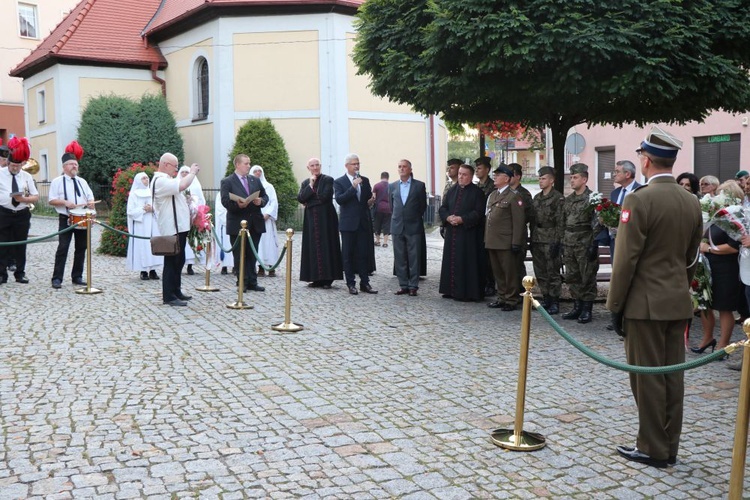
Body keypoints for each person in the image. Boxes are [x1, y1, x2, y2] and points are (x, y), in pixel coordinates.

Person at [607, 125, 702, 469]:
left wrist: (615, 306)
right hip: (677, 300)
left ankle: (652, 447)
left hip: (644, 304)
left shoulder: (638, 199)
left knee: (647, 378)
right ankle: (668, 444)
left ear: (645, 161)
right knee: (671, 376)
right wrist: (679, 286)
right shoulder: (690, 200)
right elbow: (691, 257)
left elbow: (625, 260)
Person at [695, 182, 742, 354]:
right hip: (709, 265)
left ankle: (723, 346)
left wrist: (709, 248)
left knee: (724, 307)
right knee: (704, 304)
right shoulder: (717, 216)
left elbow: (733, 246)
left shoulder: (735, 217)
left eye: (722, 194)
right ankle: (707, 339)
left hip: (726, 268)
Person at [151, 153, 199, 306]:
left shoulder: (167, 180)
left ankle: (176, 290)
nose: (176, 170)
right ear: (165, 165)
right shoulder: (160, 181)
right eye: (175, 166)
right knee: (171, 262)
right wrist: (192, 172)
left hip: (180, 226)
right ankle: (169, 296)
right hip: (172, 227)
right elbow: (182, 185)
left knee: (179, 260)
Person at [48, 141, 95, 289]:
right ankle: (57, 278)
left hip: (82, 219)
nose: (74, 166)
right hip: (66, 218)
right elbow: (51, 200)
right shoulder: (57, 181)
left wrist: (92, 204)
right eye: (71, 164)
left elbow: (90, 197)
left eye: (75, 164)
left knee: (81, 248)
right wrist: (65, 202)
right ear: (64, 167)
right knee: (63, 248)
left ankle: (77, 276)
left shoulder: (82, 181)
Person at [220, 154, 268, 293]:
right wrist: (238, 206)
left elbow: (265, 196)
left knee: (253, 253)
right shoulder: (227, 181)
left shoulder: (254, 180)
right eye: (246, 163)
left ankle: (253, 281)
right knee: (240, 254)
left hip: (255, 223)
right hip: (238, 223)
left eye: (249, 163)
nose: (248, 166)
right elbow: (225, 201)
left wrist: (261, 202)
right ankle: (242, 282)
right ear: (238, 165)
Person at [438, 164, 486, 301]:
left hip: (468, 235)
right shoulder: (452, 190)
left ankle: (467, 292)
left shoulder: (477, 193)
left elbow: (478, 212)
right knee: (451, 261)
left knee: (467, 262)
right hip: (452, 232)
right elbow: (443, 208)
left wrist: (462, 219)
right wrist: (448, 217)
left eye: (464, 175)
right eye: (459, 174)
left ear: (471, 176)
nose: (460, 177)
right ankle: (450, 290)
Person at [334, 154, 377, 295]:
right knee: (347, 254)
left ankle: (365, 283)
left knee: (363, 254)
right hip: (348, 224)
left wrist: (370, 202)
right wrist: (353, 187)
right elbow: (340, 199)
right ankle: (351, 283)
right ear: (347, 166)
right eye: (353, 164)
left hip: (363, 223)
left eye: (358, 163)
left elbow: (365, 200)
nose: (357, 166)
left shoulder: (365, 180)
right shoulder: (339, 182)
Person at [561, 163, 599, 324]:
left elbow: (596, 223)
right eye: (571, 177)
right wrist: (562, 242)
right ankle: (577, 306)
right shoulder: (568, 200)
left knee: (587, 276)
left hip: (585, 242)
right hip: (569, 243)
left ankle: (587, 309)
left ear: (584, 179)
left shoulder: (593, 198)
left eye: (575, 177)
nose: (572, 180)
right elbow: (562, 222)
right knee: (572, 276)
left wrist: (593, 244)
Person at [485, 164, 525, 311]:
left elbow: (519, 222)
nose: (494, 177)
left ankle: (511, 299)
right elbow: (488, 218)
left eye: (498, 175)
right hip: (493, 240)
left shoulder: (514, 196)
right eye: (495, 175)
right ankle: (501, 296)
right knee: (498, 272)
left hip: (506, 242)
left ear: (507, 178)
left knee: (509, 272)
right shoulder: (493, 195)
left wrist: (516, 242)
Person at [298, 157, 343, 288]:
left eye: (317, 165)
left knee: (327, 245)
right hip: (311, 219)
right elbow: (300, 198)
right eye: (312, 165)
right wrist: (311, 186)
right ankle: (315, 278)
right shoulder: (306, 182)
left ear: (320, 166)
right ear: (308, 168)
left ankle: (328, 278)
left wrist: (309, 199)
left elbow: (324, 197)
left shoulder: (328, 179)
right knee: (312, 246)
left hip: (326, 218)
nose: (315, 167)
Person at [0, 137, 39, 284]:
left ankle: (20, 273)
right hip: (3, 213)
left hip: (21, 214)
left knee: (20, 244)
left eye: (18, 166)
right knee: (2, 244)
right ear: (8, 162)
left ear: (22, 164)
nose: (15, 168)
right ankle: (1, 273)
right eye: (12, 166)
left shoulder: (27, 176)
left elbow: (35, 196)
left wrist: (24, 200)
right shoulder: (0, 173)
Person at [389, 159, 426, 296]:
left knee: (414, 257)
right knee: (400, 257)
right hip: (397, 226)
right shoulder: (392, 186)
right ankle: (403, 284)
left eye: (404, 167)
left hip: (413, 226)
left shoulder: (419, 186)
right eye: (399, 167)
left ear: (410, 169)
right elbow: (391, 206)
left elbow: (422, 206)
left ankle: (413, 286)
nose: (402, 169)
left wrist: (413, 217)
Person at [531, 166, 564, 314]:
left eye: (543, 178)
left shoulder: (558, 198)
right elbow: (532, 220)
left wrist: (557, 241)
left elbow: (560, 222)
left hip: (551, 238)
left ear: (551, 180)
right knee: (540, 271)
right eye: (539, 178)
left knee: (553, 272)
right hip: (538, 238)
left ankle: (555, 300)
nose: (540, 181)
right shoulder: (537, 198)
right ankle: (546, 298)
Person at [126, 172, 162, 280]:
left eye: (147, 178)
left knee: (153, 245)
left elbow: (159, 207)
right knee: (142, 246)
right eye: (144, 178)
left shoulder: (152, 192)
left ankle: (153, 270)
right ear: (138, 180)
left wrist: (153, 209)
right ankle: (143, 271)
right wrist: (143, 209)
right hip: (140, 224)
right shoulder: (134, 194)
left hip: (152, 223)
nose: (146, 180)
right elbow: (130, 211)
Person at [509, 163, 534, 294]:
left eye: (511, 174)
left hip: (518, 235)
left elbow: (529, 215)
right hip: (506, 235)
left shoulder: (524, 194)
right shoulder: (505, 191)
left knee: (518, 265)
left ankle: (522, 292)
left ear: (518, 176)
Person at [250, 165, 279, 277]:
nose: (258, 173)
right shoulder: (250, 186)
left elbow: (273, 202)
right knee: (259, 244)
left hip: (266, 219)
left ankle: (271, 267)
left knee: (269, 244)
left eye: (259, 171)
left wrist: (268, 214)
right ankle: (260, 267)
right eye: (255, 171)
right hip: (256, 219)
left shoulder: (269, 187)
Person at [475, 156, 496, 297]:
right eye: (476, 168)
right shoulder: (475, 187)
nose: (477, 170)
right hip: (477, 225)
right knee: (479, 256)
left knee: (490, 258)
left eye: (480, 168)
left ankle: (491, 284)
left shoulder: (493, 187)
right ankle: (481, 282)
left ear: (487, 170)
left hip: (489, 226)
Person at [179, 165, 206, 275]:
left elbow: (201, 200)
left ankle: (190, 265)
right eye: (183, 172)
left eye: (187, 172)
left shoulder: (195, 185)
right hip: (182, 218)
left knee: (192, 241)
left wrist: (197, 212)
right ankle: (180, 265)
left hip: (194, 217)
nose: (185, 174)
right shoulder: (178, 185)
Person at [214, 190, 234, 275]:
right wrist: (227, 220)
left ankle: (235, 266)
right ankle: (224, 266)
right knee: (225, 244)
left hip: (234, 222)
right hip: (225, 223)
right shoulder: (220, 194)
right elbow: (220, 209)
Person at [372, 171, 392, 248]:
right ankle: (385, 242)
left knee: (377, 224)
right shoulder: (391, 186)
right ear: (388, 177)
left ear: (381, 177)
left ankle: (377, 241)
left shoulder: (376, 186)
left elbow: (374, 198)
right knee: (387, 225)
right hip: (388, 208)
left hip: (378, 208)